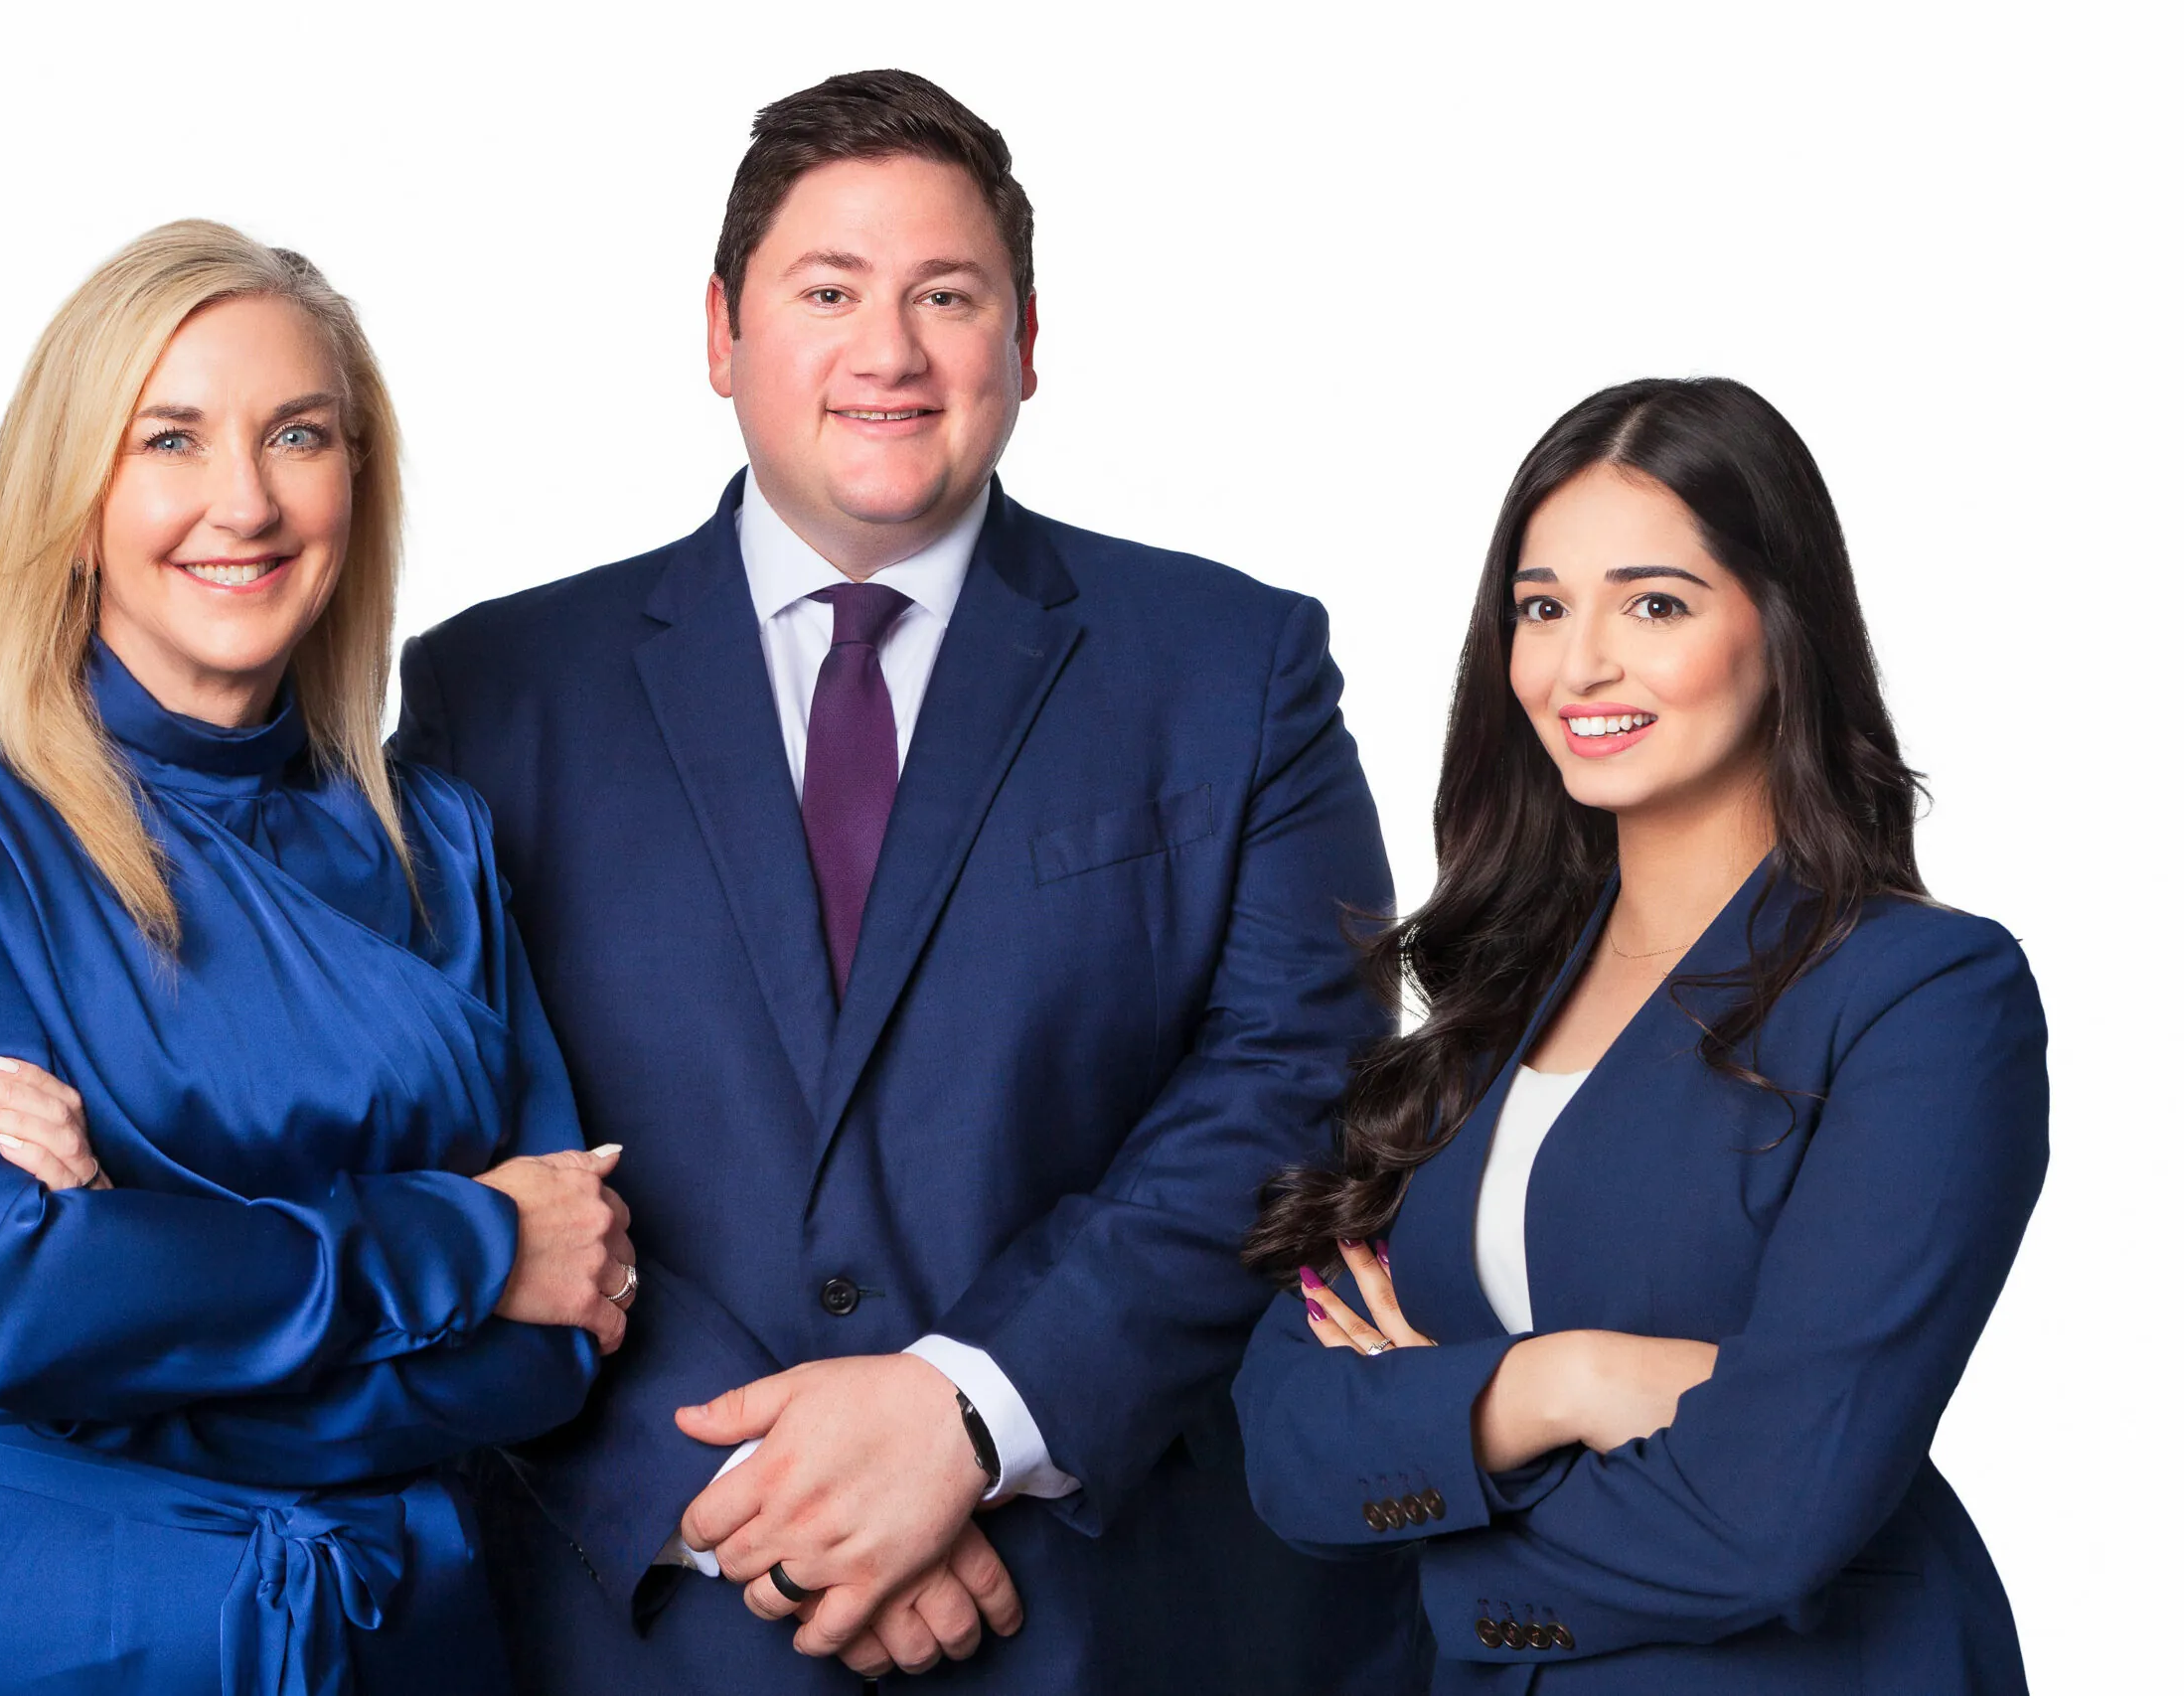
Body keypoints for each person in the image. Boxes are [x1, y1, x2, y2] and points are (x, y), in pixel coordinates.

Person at [392, 68, 1414, 1693]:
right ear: (721, 332)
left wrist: (972, 1410)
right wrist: (760, 1497)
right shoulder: (495, 693)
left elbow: (1302, 1078)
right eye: (829, 292)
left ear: (1026, 339)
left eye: (948, 295)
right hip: (654, 1619)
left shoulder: (1237, 667)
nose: (891, 352)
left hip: (1099, 1614)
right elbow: (455, 1122)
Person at [0, 221, 634, 1695]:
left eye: (297, 435)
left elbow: (561, 1330)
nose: (244, 502)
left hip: (408, 1637)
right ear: (75, 491)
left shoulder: (438, 841)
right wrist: (467, 1244)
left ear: (355, 480)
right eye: (171, 439)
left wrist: (128, 1293)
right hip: (53, 1634)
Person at [1234, 377, 2049, 1693]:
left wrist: (1441, 1501)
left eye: (1654, 604)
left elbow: (1773, 1512)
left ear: (1783, 627)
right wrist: (1566, 1382)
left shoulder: (1927, 996)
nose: (1579, 665)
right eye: (1542, 606)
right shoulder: (1488, 1004)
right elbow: (1289, 1444)